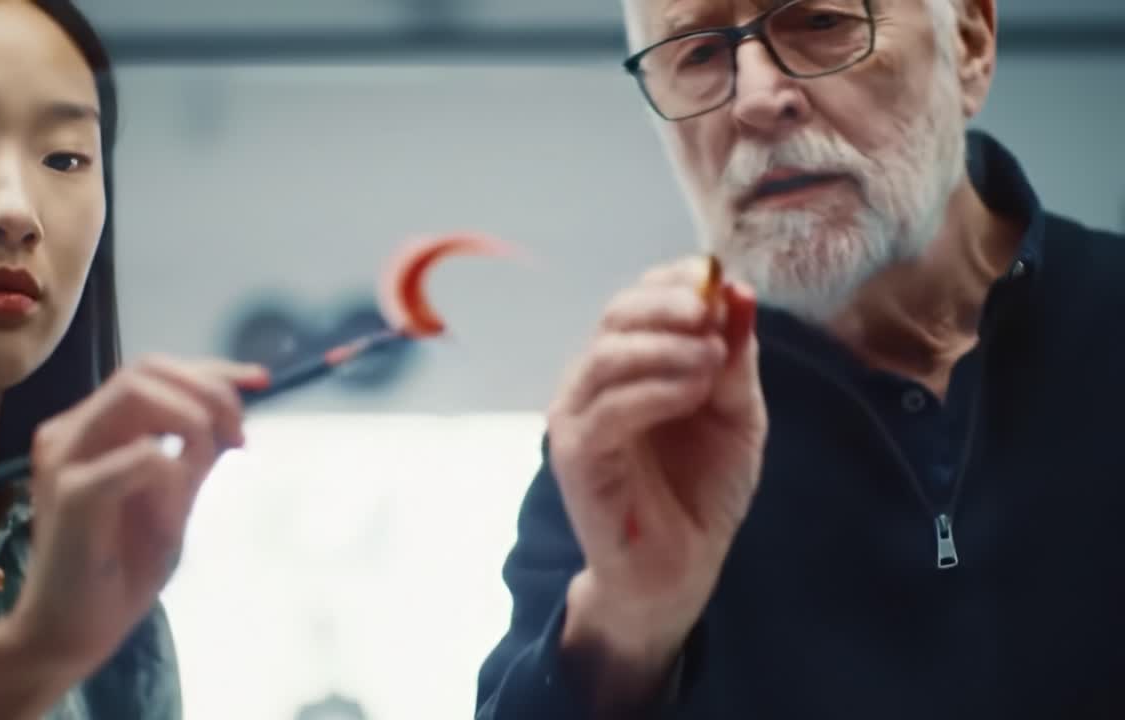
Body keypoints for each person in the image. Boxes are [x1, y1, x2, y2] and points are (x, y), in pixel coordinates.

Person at [477, 0, 1125, 718]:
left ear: (968, 41)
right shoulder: (646, 438)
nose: (756, 100)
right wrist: (628, 623)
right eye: (696, 54)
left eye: (821, 21)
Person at [0, 1, 269, 717]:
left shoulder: (94, 575)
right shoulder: (75, 609)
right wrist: (32, 659)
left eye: (66, 158)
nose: (16, 211)